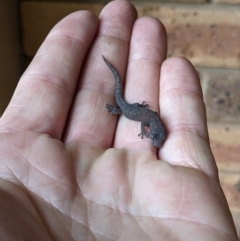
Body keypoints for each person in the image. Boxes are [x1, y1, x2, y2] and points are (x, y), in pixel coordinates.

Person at [0, 0, 238, 240]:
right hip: (127, 109)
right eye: (155, 135)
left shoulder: (155, 121)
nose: (155, 136)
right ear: (156, 130)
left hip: (133, 108)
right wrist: (136, 122)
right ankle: (113, 102)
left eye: (155, 135)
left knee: (126, 103)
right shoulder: (151, 121)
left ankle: (115, 93)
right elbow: (150, 119)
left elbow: (151, 118)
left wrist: (144, 124)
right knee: (121, 105)